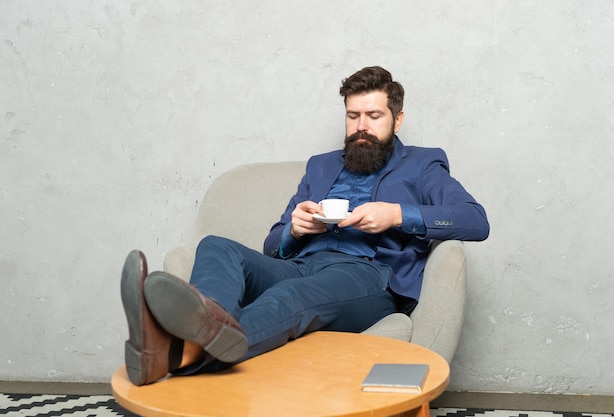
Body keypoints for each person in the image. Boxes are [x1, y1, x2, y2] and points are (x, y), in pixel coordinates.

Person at [121, 66, 490, 386]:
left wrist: (397, 215)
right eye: (353, 115)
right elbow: (272, 245)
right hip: (299, 264)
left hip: (367, 275)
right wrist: (294, 231)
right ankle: (197, 330)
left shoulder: (423, 165)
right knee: (216, 245)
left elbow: (475, 219)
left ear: (398, 119)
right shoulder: (321, 166)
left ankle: (172, 352)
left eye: (374, 116)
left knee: (287, 299)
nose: (361, 127)